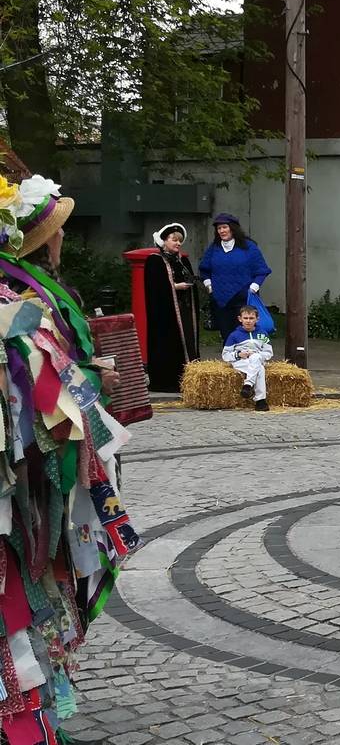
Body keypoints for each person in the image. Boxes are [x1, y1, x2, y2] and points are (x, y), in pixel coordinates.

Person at [0, 172, 142, 743]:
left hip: (31, 483)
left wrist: (85, 379)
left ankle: (33, 713)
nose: (63, 236)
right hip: (23, 484)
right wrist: (87, 383)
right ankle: (24, 722)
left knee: (33, 594)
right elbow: (41, 400)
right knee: (22, 591)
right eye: (57, 228)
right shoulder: (19, 308)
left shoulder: (31, 299)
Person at [142, 221, 202, 393]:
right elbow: (154, 287)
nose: (178, 243)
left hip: (184, 310)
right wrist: (175, 287)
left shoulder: (183, 260)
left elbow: (189, 279)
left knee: (187, 341)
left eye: (179, 240)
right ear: (164, 241)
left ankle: (189, 379)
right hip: (165, 312)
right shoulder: (154, 261)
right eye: (174, 239)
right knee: (168, 344)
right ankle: (167, 381)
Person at [198, 213, 271, 342]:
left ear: (233, 228)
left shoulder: (249, 247)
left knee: (245, 336)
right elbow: (204, 269)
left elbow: (261, 270)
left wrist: (253, 288)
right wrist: (209, 286)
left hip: (244, 299)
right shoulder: (214, 248)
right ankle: (229, 354)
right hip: (220, 301)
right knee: (227, 336)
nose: (221, 231)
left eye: (224, 227)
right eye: (219, 228)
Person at [223, 304, 274, 411]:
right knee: (260, 369)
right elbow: (225, 355)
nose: (248, 321)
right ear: (240, 319)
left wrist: (257, 355)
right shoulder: (234, 335)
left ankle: (248, 385)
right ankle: (260, 401)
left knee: (256, 359)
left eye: (251, 318)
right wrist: (238, 354)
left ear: (257, 319)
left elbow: (269, 353)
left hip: (258, 360)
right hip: (241, 362)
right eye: (245, 318)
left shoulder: (262, 334)